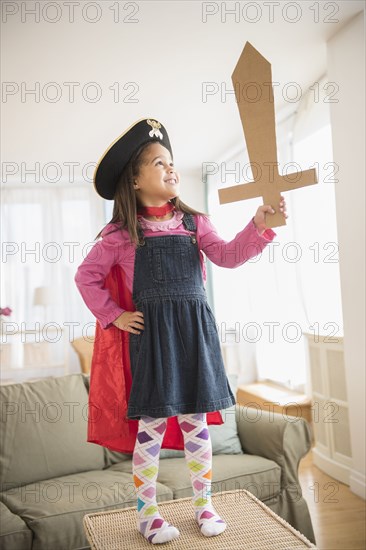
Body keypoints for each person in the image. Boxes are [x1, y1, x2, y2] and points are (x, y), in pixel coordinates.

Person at [74, 118, 287, 544]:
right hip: (152, 344)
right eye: (158, 163)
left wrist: (259, 226)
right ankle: (148, 515)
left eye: (172, 162)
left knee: (197, 425)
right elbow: (86, 278)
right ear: (134, 180)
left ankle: (204, 505)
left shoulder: (196, 224)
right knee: (150, 428)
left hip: (195, 337)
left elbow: (228, 256)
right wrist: (114, 315)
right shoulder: (120, 234)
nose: (171, 169)